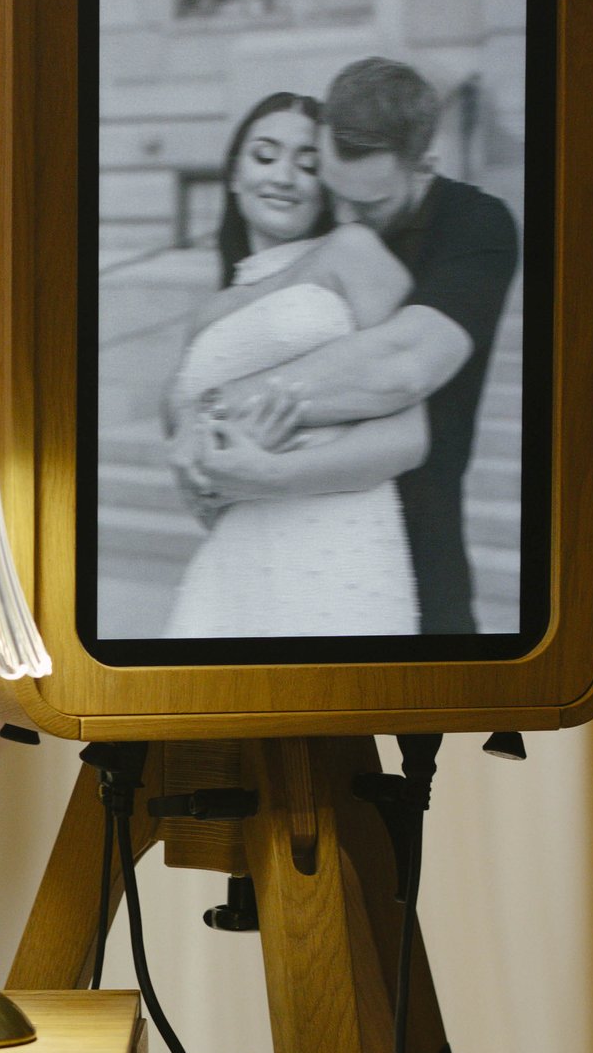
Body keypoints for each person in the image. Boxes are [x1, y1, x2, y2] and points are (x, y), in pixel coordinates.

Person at [190, 56, 519, 634]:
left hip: (415, 540)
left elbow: (400, 367)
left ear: (426, 167)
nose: (346, 220)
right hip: (266, 548)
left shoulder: (475, 225)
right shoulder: (310, 235)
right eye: (332, 190)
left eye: (369, 206)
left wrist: (216, 409)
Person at [164, 91, 428, 637]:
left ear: (327, 184)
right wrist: (214, 475)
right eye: (264, 156)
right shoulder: (206, 315)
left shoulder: (353, 254)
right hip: (236, 556)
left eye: (307, 164)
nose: (284, 176)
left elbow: (410, 438)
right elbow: (197, 484)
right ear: (234, 174)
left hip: (338, 546)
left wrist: (268, 475)